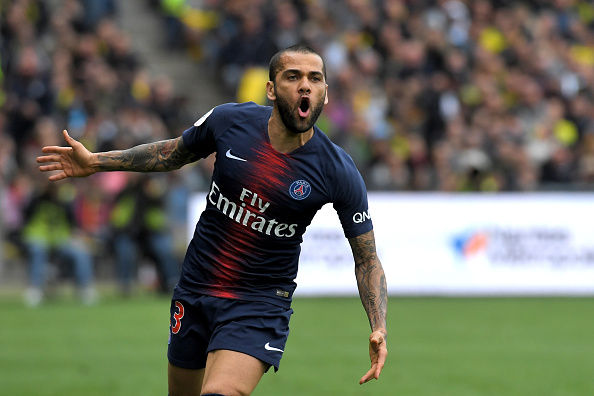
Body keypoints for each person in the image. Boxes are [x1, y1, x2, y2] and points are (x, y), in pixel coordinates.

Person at [37, 44, 388, 396]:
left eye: (315, 79)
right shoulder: (229, 121)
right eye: (292, 76)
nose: (305, 86)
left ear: (325, 94)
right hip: (196, 288)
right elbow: (171, 153)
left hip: (259, 302)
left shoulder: (337, 170)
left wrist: (379, 326)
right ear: (271, 89)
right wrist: (97, 162)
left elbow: (367, 259)